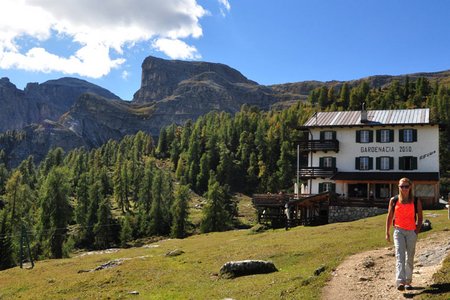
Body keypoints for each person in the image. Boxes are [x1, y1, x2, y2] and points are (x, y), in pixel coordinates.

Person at [385, 177, 423, 291]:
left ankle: (408, 281)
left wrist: (416, 230)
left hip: (411, 232)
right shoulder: (394, 200)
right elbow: (389, 216)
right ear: (399, 187)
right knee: (399, 256)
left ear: (410, 187)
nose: (404, 189)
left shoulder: (416, 200)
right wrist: (387, 232)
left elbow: (420, 217)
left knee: (409, 257)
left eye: (406, 186)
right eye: (402, 186)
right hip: (398, 231)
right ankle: (400, 281)